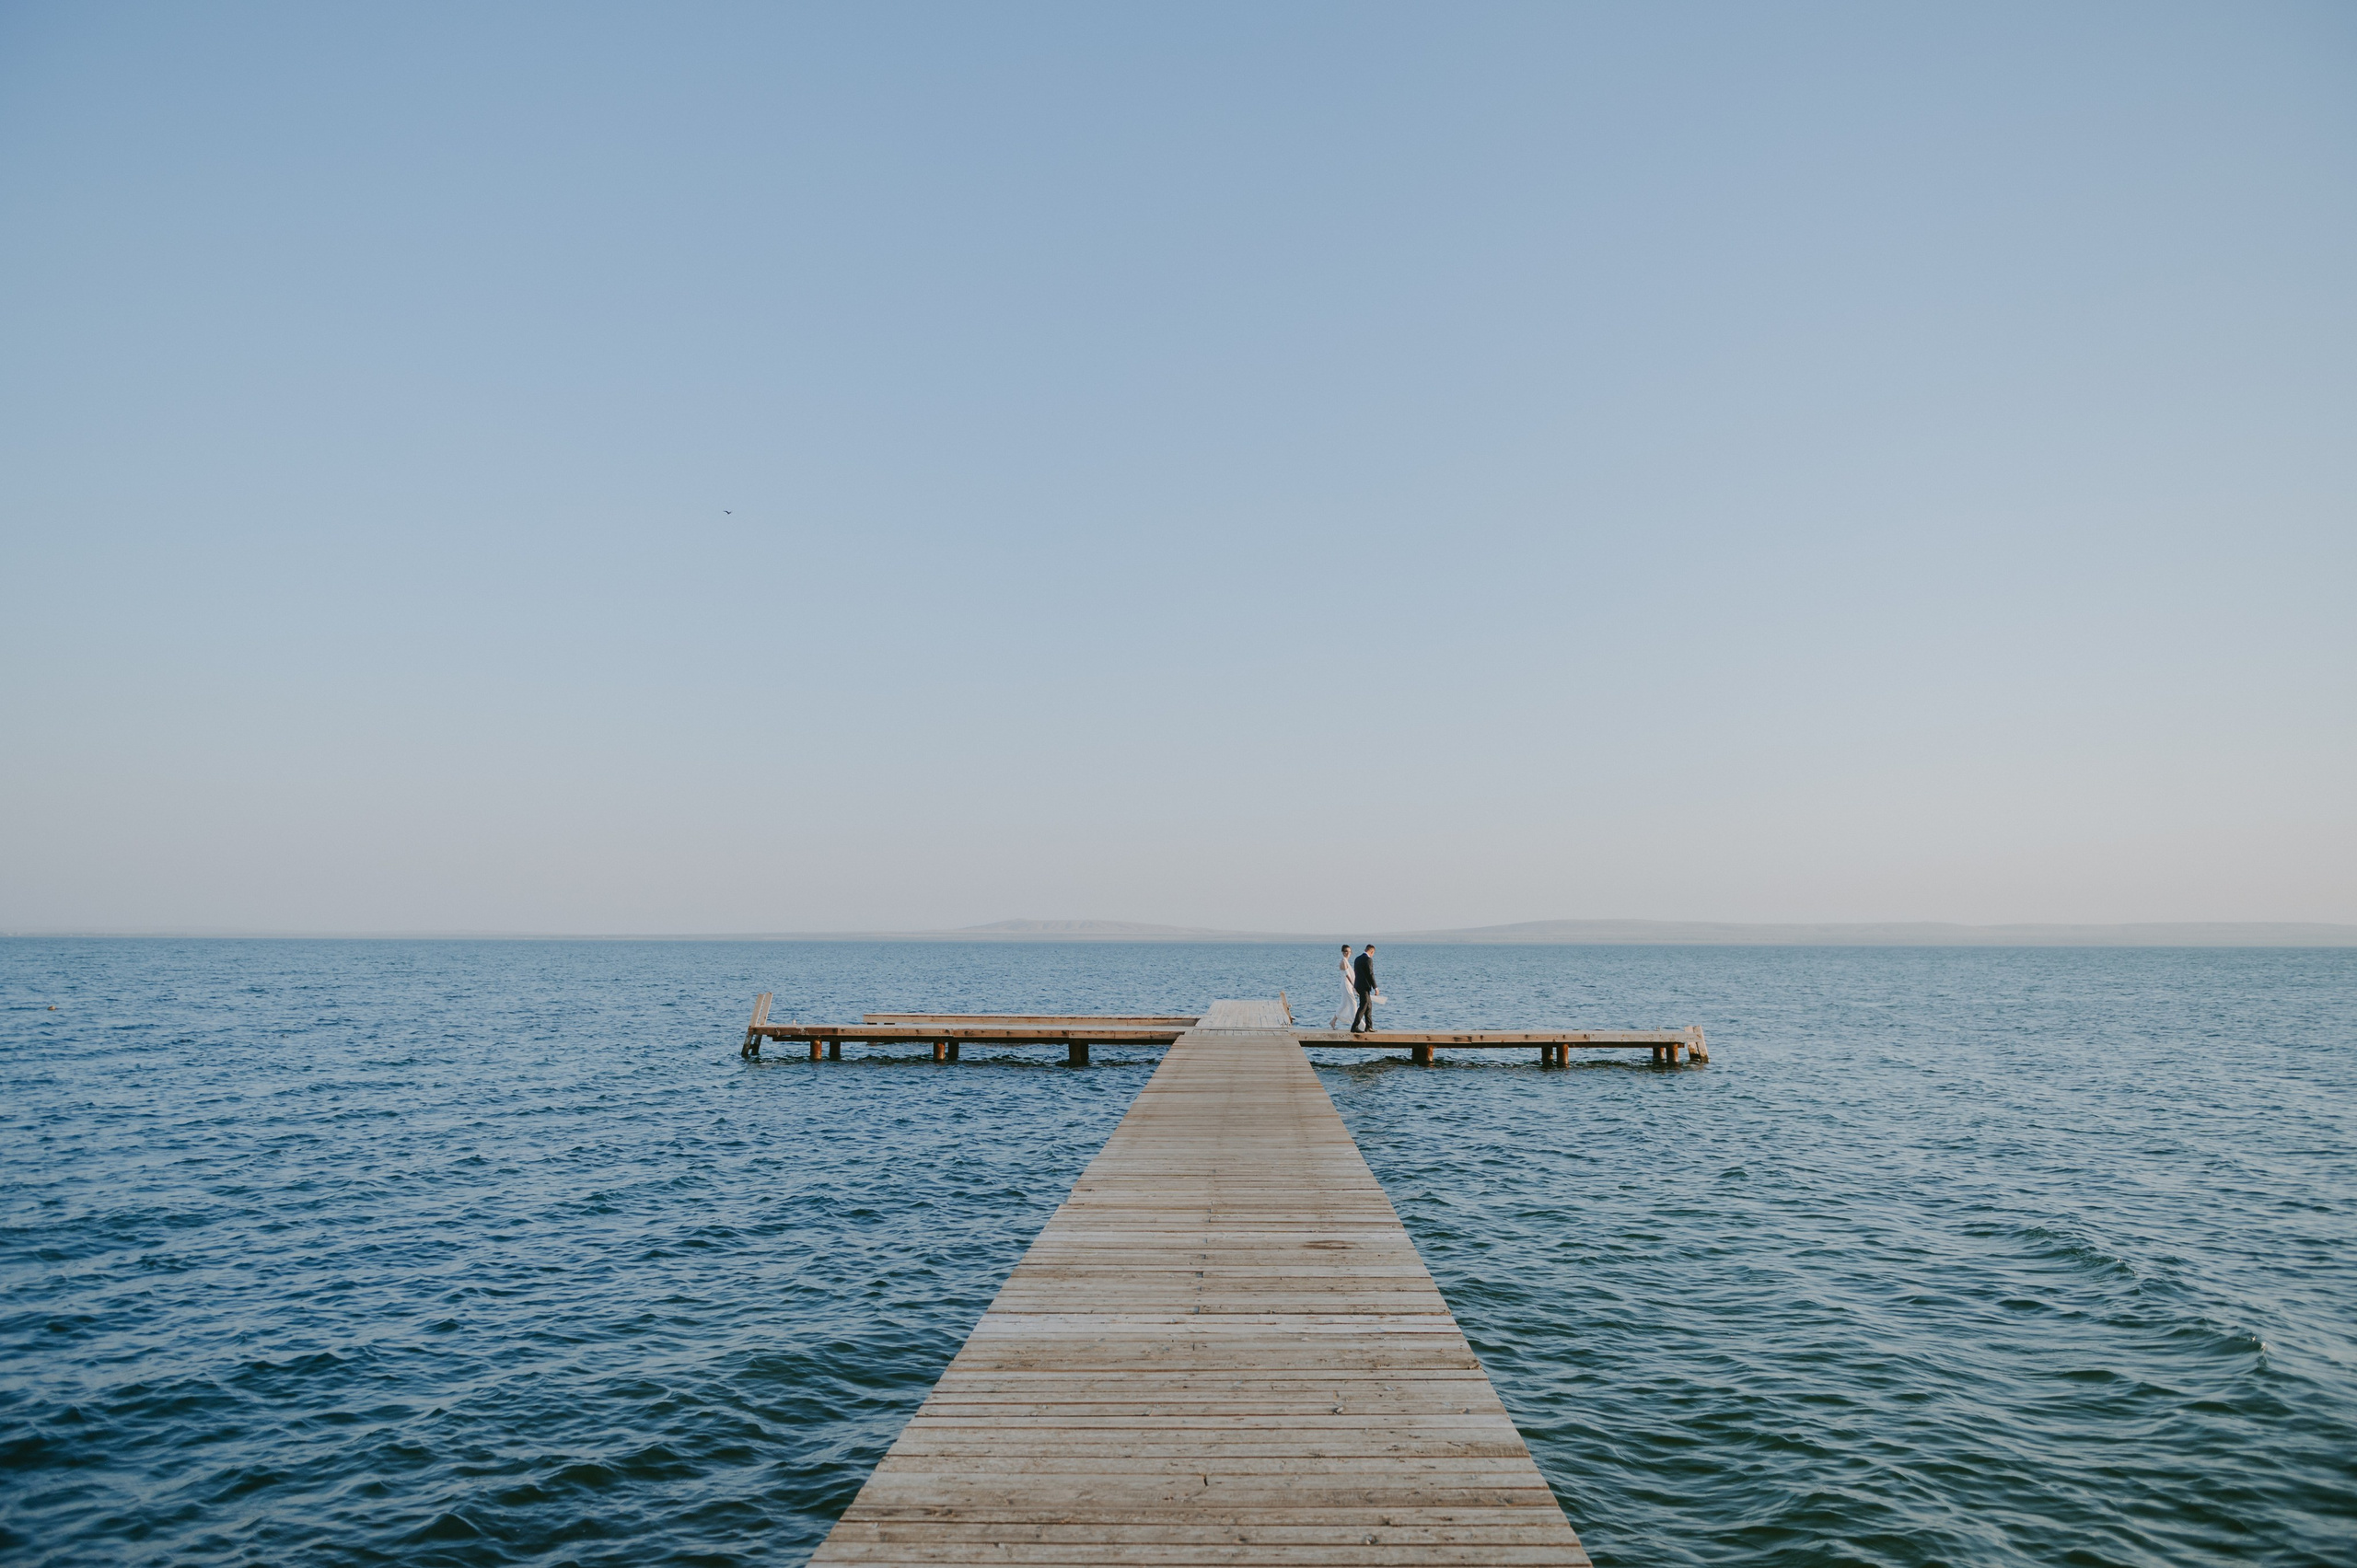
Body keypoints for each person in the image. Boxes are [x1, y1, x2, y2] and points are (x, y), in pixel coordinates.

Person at [1350, 944, 1377, 1034]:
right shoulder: (1368, 960)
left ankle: (1369, 1026)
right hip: (1364, 986)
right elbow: (1370, 974)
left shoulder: (1357, 959)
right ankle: (1354, 1026)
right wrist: (1375, 987)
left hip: (1358, 985)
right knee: (1363, 1006)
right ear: (1372, 951)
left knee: (1369, 1006)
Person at [1329, 945, 1356, 1028]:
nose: (1348, 953)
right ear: (1343, 952)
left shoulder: (1346, 961)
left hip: (1347, 984)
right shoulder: (1343, 962)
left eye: (1349, 952)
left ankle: (1333, 1021)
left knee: (1344, 1004)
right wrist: (1353, 985)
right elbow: (1347, 975)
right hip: (1346, 984)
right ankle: (1356, 1022)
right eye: (1346, 952)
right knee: (1353, 1003)